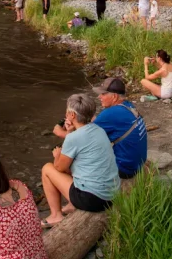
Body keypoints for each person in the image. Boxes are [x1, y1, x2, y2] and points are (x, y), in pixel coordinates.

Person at [41, 94, 120, 227]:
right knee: (80, 164)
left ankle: (56, 216)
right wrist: (71, 132)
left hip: (94, 199)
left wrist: (57, 155)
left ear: (72, 115)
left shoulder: (73, 138)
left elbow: (60, 168)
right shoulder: (98, 129)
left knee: (47, 168)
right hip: (112, 194)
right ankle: (72, 205)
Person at [55, 78, 148, 180]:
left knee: (73, 159)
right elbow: (94, 122)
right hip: (137, 163)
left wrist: (60, 132)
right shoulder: (127, 106)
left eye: (103, 94)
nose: (99, 97)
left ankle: (78, 186)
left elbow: (82, 136)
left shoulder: (111, 113)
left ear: (114, 96)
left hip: (124, 169)